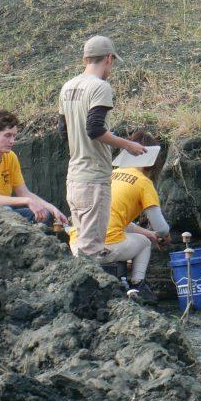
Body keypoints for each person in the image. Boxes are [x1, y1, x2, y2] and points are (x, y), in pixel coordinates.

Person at [58, 35, 146, 260]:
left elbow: (63, 131)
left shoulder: (68, 87)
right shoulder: (100, 87)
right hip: (94, 179)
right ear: (108, 58)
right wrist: (128, 145)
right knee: (92, 252)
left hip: (74, 179)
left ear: (85, 58)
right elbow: (95, 129)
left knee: (80, 244)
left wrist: (103, 139)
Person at [92, 131, 171, 302]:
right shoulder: (143, 182)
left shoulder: (110, 174)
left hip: (80, 243)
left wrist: (149, 233)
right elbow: (162, 228)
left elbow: (117, 221)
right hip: (105, 247)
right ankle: (138, 285)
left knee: (142, 237)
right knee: (143, 243)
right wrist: (161, 236)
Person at [0, 110, 68, 226]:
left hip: (5, 210)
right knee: (8, 212)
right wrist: (27, 201)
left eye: (14, 136)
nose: (12, 141)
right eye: (7, 136)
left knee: (44, 215)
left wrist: (53, 209)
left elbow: (24, 193)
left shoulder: (10, 157)